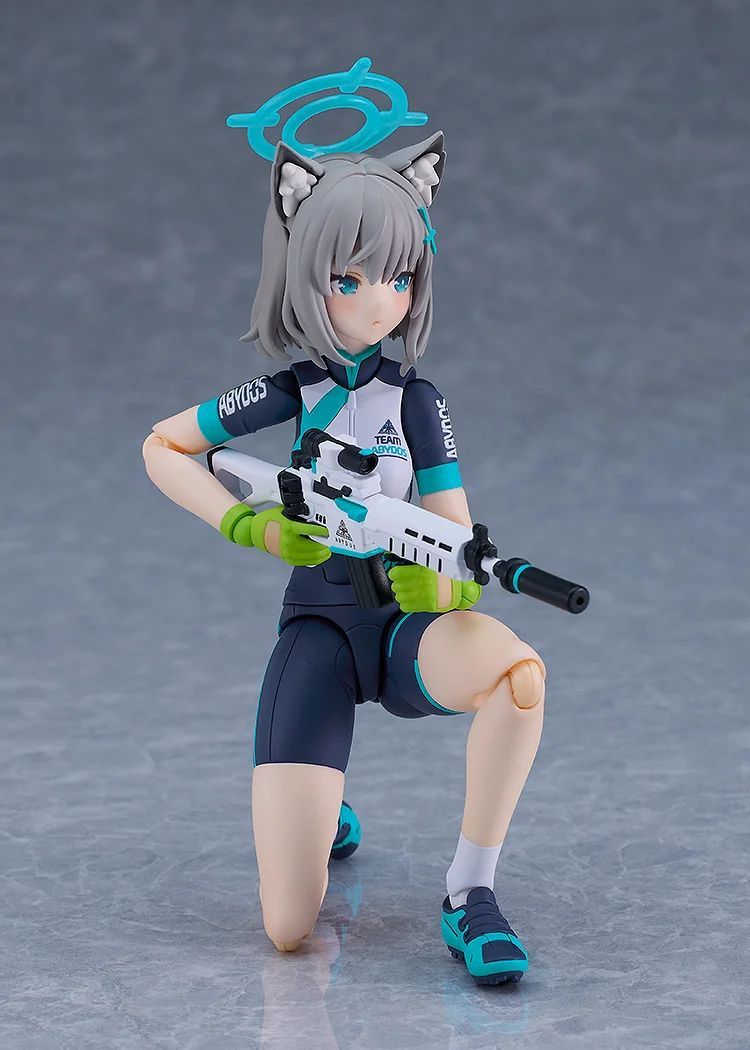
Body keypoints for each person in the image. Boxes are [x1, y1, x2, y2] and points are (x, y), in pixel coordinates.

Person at [143, 132, 546, 986]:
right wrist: (249, 526)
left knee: (520, 676)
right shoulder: (289, 392)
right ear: (306, 273)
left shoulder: (418, 403)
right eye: (349, 279)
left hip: (406, 632)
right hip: (319, 632)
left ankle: (470, 890)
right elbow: (163, 446)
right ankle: (323, 816)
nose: (379, 301)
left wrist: (444, 585)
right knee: (290, 929)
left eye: (400, 278)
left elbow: (456, 532)